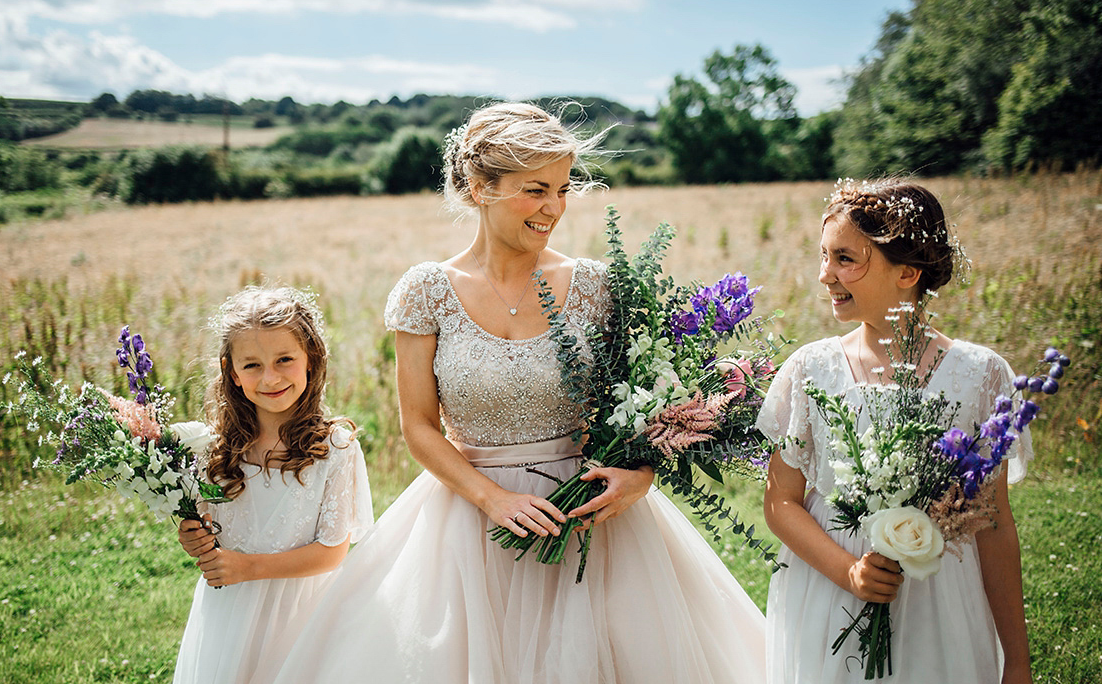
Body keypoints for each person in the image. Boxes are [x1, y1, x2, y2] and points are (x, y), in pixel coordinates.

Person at [272, 102, 766, 684]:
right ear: (481, 187)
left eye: (562, 189)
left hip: (591, 517)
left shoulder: (599, 287)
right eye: (536, 190)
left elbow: (645, 404)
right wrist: (492, 499)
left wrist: (641, 474)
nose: (554, 208)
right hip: (468, 523)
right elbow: (419, 427)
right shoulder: (426, 291)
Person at [758, 179, 1034, 683]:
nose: (825, 275)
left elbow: (993, 525)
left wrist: (1016, 660)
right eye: (824, 255)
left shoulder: (982, 375)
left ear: (907, 272)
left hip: (941, 593)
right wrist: (850, 572)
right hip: (832, 591)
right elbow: (780, 502)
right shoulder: (809, 368)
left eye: (845, 259)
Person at [173, 285, 374, 684]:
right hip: (228, 611)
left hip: (300, 611)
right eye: (252, 365)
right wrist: (191, 535)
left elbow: (332, 553)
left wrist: (250, 567)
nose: (270, 377)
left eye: (285, 359)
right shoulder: (212, 449)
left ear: (311, 360)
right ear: (232, 371)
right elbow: (208, 525)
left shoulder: (335, 450)